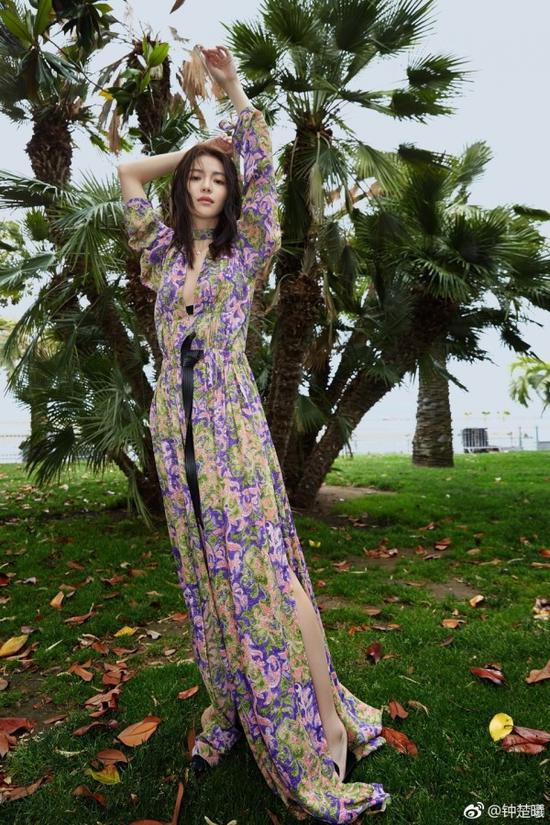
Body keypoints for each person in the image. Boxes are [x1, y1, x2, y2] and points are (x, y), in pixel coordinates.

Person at [118, 44, 390, 823]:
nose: (207, 186)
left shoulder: (249, 249)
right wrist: (194, 150)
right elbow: (128, 173)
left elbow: (264, 168)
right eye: (196, 179)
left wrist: (233, 95)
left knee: (267, 569)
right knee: (207, 576)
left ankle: (328, 721)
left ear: (230, 193)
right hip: (174, 427)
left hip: (229, 423)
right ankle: (232, 701)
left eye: (217, 178)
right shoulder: (161, 251)